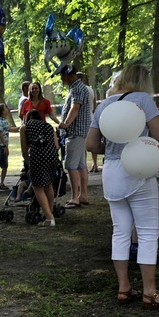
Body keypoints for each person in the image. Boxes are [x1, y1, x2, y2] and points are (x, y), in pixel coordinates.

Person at [86, 63, 159, 309]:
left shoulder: (104, 105)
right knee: (147, 232)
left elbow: (91, 144)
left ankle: (124, 288)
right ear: (143, 80)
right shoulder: (142, 99)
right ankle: (150, 292)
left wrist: (112, 149)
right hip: (138, 169)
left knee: (120, 231)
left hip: (112, 172)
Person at [59, 65, 92, 209]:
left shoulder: (77, 88)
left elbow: (75, 107)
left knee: (71, 165)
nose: (61, 78)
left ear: (68, 75)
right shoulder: (78, 87)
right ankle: (83, 195)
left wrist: (66, 124)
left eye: (62, 75)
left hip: (76, 131)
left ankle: (74, 197)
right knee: (80, 165)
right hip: (80, 131)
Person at [20, 109, 60, 227]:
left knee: (38, 187)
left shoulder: (24, 127)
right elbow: (56, 145)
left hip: (38, 157)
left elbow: (24, 150)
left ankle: (49, 218)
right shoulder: (49, 126)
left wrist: (28, 164)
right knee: (48, 185)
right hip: (52, 157)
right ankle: (50, 212)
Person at [79, 72, 100, 172]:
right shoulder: (91, 89)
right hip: (91, 117)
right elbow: (94, 104)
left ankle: (85, 166)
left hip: (83, 120)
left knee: (83, 143)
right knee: (93, 142)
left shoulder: (79, 90)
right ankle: (95, 164)